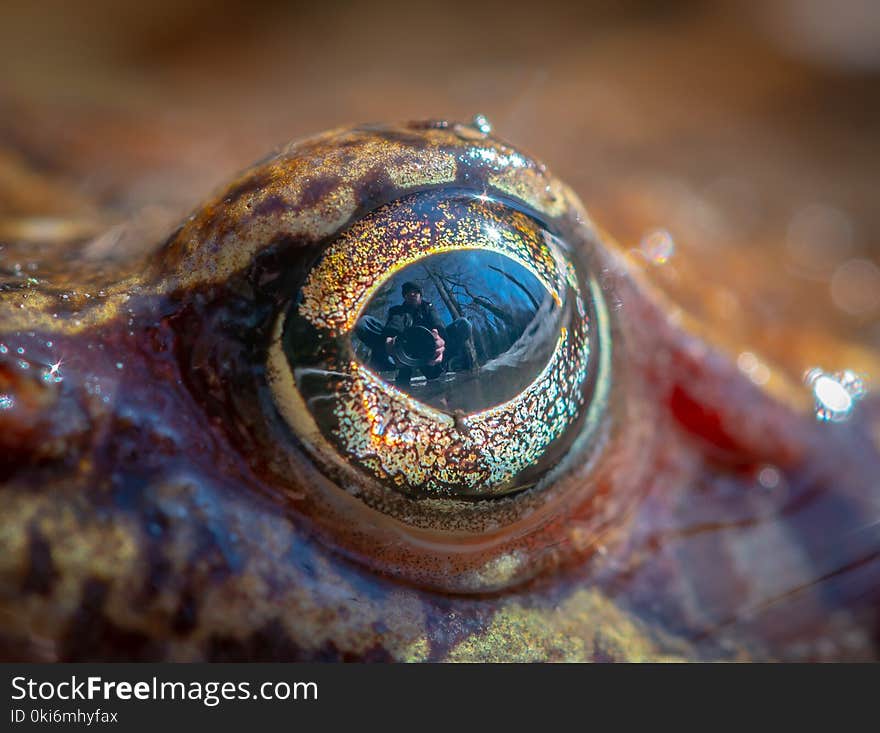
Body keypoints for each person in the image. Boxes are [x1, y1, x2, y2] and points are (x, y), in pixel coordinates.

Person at [355, 281, 472, 386]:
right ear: (404, 297)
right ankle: (400, 370)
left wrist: (441, 341)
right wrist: (390, 339)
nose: (411, 294)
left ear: (420, 295)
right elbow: (395, 323)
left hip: (429, 353)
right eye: (407, 293)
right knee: (364, 323)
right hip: (400, 352)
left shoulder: (429, 309)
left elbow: (437, 323)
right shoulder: (397, 310)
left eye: (415, 292)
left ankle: (436, 368)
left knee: (463, 324)